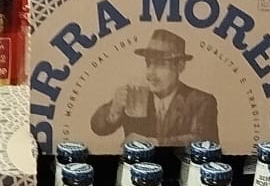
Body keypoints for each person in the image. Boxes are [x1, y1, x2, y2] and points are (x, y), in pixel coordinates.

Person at [90, 30, 219, 149]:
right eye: (148, 64)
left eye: (160, 64)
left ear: (180, 66)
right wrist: (114, 110)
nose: (150, 74)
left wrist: (154, 143)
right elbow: (98, 128)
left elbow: (204, 140)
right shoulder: (137, 95)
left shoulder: (200, 101)